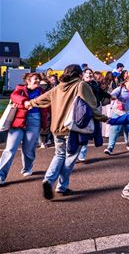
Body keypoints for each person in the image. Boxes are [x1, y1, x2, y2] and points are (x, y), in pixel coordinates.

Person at [27, 64, 108, 199]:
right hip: (72, 128)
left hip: (56, 127)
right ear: (79, 74)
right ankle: (62, 187)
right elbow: (91, 105)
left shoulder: (58, 87)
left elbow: (42, 99)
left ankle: (48, 180)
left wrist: (30, 103)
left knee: (59, 155)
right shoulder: (81, 85)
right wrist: (104, 118)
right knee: (70, 159)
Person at [0, 73, 49, 185]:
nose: (37, 81)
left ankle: (27, 168)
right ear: (28, 80)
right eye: (35, 79)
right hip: (18, 122)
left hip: (35, 121)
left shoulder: (41, 92)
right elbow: (14, 96)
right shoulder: (20, 89)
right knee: (10, 149)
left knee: (29, 148)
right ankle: (1, 175)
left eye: (39, 79)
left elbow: (47, 105)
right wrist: (24, 102)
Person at [105, 77, 129, 155]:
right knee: (114, 130)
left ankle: (128, 144)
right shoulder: (119, 89)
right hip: (118, 112)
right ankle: (110, 148)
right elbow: (111, 95)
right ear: (125, 82)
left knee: (128, 130)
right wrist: (115, 98)